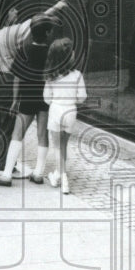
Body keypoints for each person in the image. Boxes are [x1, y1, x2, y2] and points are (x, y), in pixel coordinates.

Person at [0, 0, 67, 175]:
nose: (16, 12)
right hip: (7, 81)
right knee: (9, 126)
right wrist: (57, 6)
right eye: (13, 10)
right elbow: (37, 21)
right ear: (5, 14)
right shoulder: (12, 31)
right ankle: (6, 165)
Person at [0, 14, 57, 186]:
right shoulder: (51, 52)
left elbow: (17, 77)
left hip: (27, 97)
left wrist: (14, 100)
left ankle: (6, 174)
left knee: (17, 134)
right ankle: (39, 173)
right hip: (45, 98)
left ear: (31, 33)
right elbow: (54, 76)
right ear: (48, 33)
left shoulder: (23, 51)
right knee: (42, 134)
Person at [43, 37, 87, 195]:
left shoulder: (51, 76)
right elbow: (82, 97)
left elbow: (46, 98)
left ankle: (63, 177)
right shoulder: (77, 75)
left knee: (56, 147)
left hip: (55, 110)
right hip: (70, 112)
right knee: (63, 146)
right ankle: (57, 175)